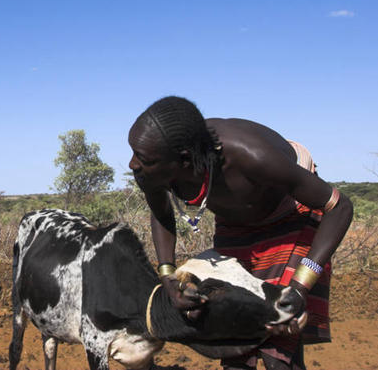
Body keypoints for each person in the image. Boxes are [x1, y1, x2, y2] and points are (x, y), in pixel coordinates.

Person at [127, 96, 353, 370]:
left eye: (143, 158)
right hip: (235, 226)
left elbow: (339, 207)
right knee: (236, 342)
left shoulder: (250, 156)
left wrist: (300, 286)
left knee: (278, 343)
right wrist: (169, 280)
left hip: (291, 216)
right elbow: (162, 213)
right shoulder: (152, 169)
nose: (132, 164)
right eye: (134, 152)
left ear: (184, 161)